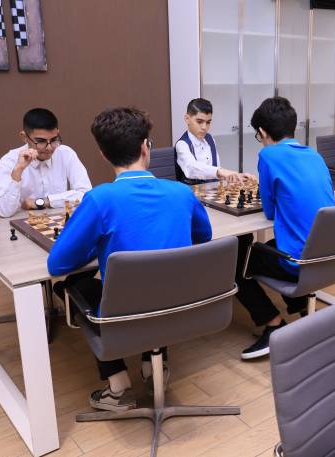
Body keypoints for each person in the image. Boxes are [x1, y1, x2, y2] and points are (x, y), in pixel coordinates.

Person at [47, 107, 212, 412]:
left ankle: (118, 386)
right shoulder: (181, 193)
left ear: (103, 154)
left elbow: (57, 264)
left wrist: (98, 245)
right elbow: (204, 237)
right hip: (181, 309)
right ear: (146, 147)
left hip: (124, 318)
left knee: (77, 285)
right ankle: (154, 367)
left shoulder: (99, 199)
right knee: (160, 281)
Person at [235, 97, 335, 360]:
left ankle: (273, 323)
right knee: (266, 249)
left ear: (263, 132)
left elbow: (269, 211)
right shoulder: (314, 155)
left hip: (299, 262)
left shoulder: (268, 155)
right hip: (327, 256)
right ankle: (303, 311)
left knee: (235, 263)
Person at [0, 108, 92, 217]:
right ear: (24, 137)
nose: (49, 148)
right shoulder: (9, 161)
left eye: (54, 140)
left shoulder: (66, 153)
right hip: (22, 222)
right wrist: (18, 170)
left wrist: (44, 201)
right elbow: (4, 212)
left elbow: (87, 195)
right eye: (41, 141)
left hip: (58, 221)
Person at [174, 97, 255, 184]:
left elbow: (217, 171)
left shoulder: (210, 139)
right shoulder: (182, 144)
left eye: (208, 122)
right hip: (191, 191)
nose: (204, 127)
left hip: (213, 190)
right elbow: (191, 168)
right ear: (187, 119)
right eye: (199, 122)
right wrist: (220, 172)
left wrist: (236, 177)